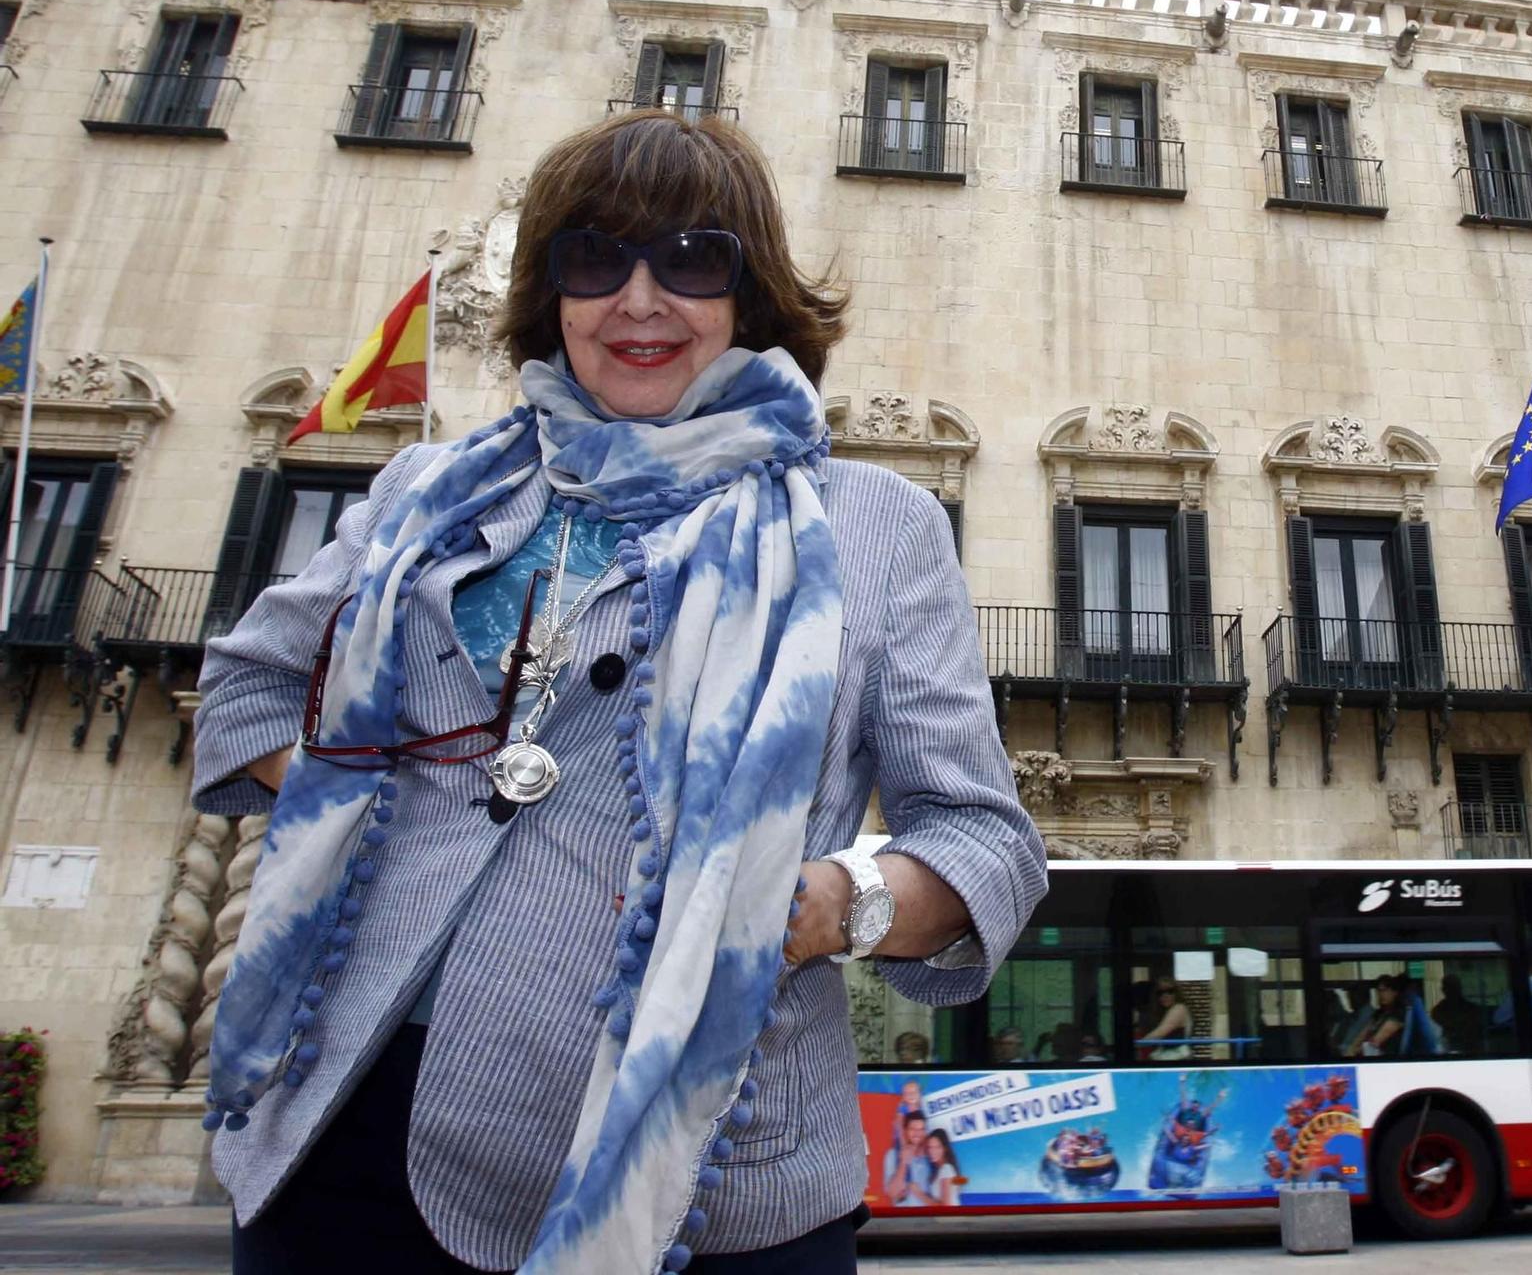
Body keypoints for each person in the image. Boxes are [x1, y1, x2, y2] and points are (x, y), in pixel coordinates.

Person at [192, 110, 1048, 1275]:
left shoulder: (875, 527)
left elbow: (983, 843)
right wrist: (358, 803)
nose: (638, 299)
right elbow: (246, 688)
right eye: (594, 259)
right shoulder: (428, 488)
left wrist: (809, 908)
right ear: (552, 293)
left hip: (709, 1187)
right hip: (346, 1147)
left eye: (691, 260)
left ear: (749, 298)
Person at [1344, 975, 1409, 1057]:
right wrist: (1351, 1049)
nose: (1381, 994)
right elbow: (1362, 1034)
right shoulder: (1379, 1013)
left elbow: (1375, 1041)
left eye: (1384, 990)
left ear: (1394, 992)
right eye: (1378, 991)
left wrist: (1355, 1052)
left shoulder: (1398, 1013)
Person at [881, 1110, 935, 1208]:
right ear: (905, 1130)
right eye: (913, 1129)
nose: (917, 1133)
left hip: (930, 1219)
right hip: (904, 1219)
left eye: (921, 1129)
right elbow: (893, 1193)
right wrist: (903, 1162)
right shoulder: (893, 1155)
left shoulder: (931, 1156)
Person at [1429, 973, 1484, 1056]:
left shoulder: (1472, 1010)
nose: (1452, 991)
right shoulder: (1437, 1011)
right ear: (1444, 990)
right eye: (1449, 988)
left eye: (1454, 988)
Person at [1137, 980, 1192, 1059]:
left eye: (1170, 991)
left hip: (1178, 1056)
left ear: (1176, 993)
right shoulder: (1163, 1011)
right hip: (1166, 1054)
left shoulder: (1179, 1008)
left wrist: (1137, 1044)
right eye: (1160, 992)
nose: (1165, 995)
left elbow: (1160, 1032)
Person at [923, 1131, 966, 1206]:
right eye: (930, 1147)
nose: (932, 1151)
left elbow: (945, 1207)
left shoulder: (946, 1169)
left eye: (937, 1147)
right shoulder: (939, 1169)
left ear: (944, 1148)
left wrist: (918, 1193)